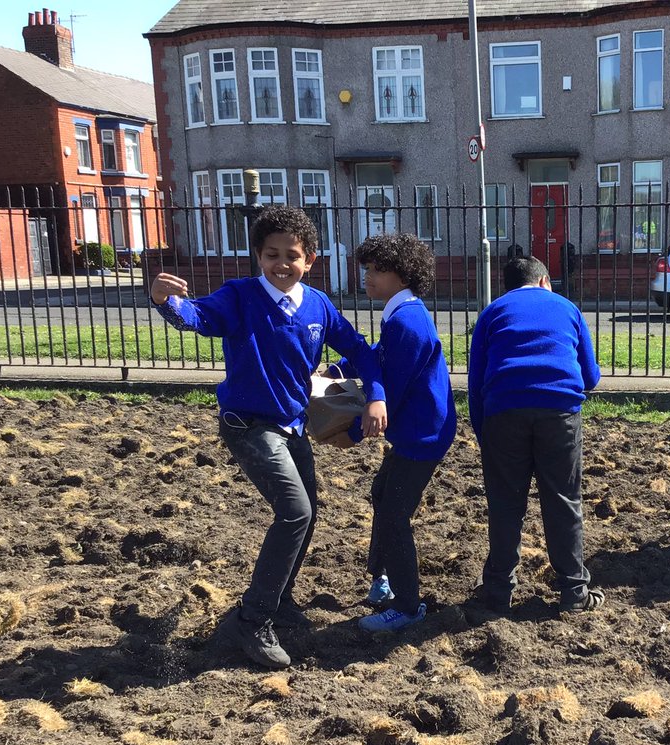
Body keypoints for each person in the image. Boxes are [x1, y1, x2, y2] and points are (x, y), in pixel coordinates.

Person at [149, 205, 387, 668]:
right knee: (294, 511)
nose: (282, 264)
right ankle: (252, 620)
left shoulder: (318, 305)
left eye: (292, 255)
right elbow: (198, 317)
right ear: (257, 256)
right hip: (249, 425)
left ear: (310, 259)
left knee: (308, 511)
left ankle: (279, 600)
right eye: (271, 254)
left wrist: (376, 395)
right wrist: (165, 302)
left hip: (293, 424)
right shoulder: (239, 296)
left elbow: (360, 350)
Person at [468, 256, 604, 613]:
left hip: (504, 412)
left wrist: (486, 435)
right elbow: (590, 377)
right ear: (545, 281)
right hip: (558, 412)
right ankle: (574, 591)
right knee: (563, 501)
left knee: (506, 505)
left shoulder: (492, 312)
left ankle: (498, 591)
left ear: (508, 287)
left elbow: (476, 382)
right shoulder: (567, 308)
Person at [342, 233, 456, 633]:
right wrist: (341, 368)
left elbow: (394, 385)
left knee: (394, 513)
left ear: (403, 274)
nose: (367, 277)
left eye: (377, 270)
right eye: (367, 268)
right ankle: (382, 578)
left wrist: (352, 431)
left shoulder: (407, 321)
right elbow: (379, 355)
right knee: (382, 496)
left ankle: (408, 606)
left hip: (421, 435)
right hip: (417, 430)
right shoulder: (400, 313)